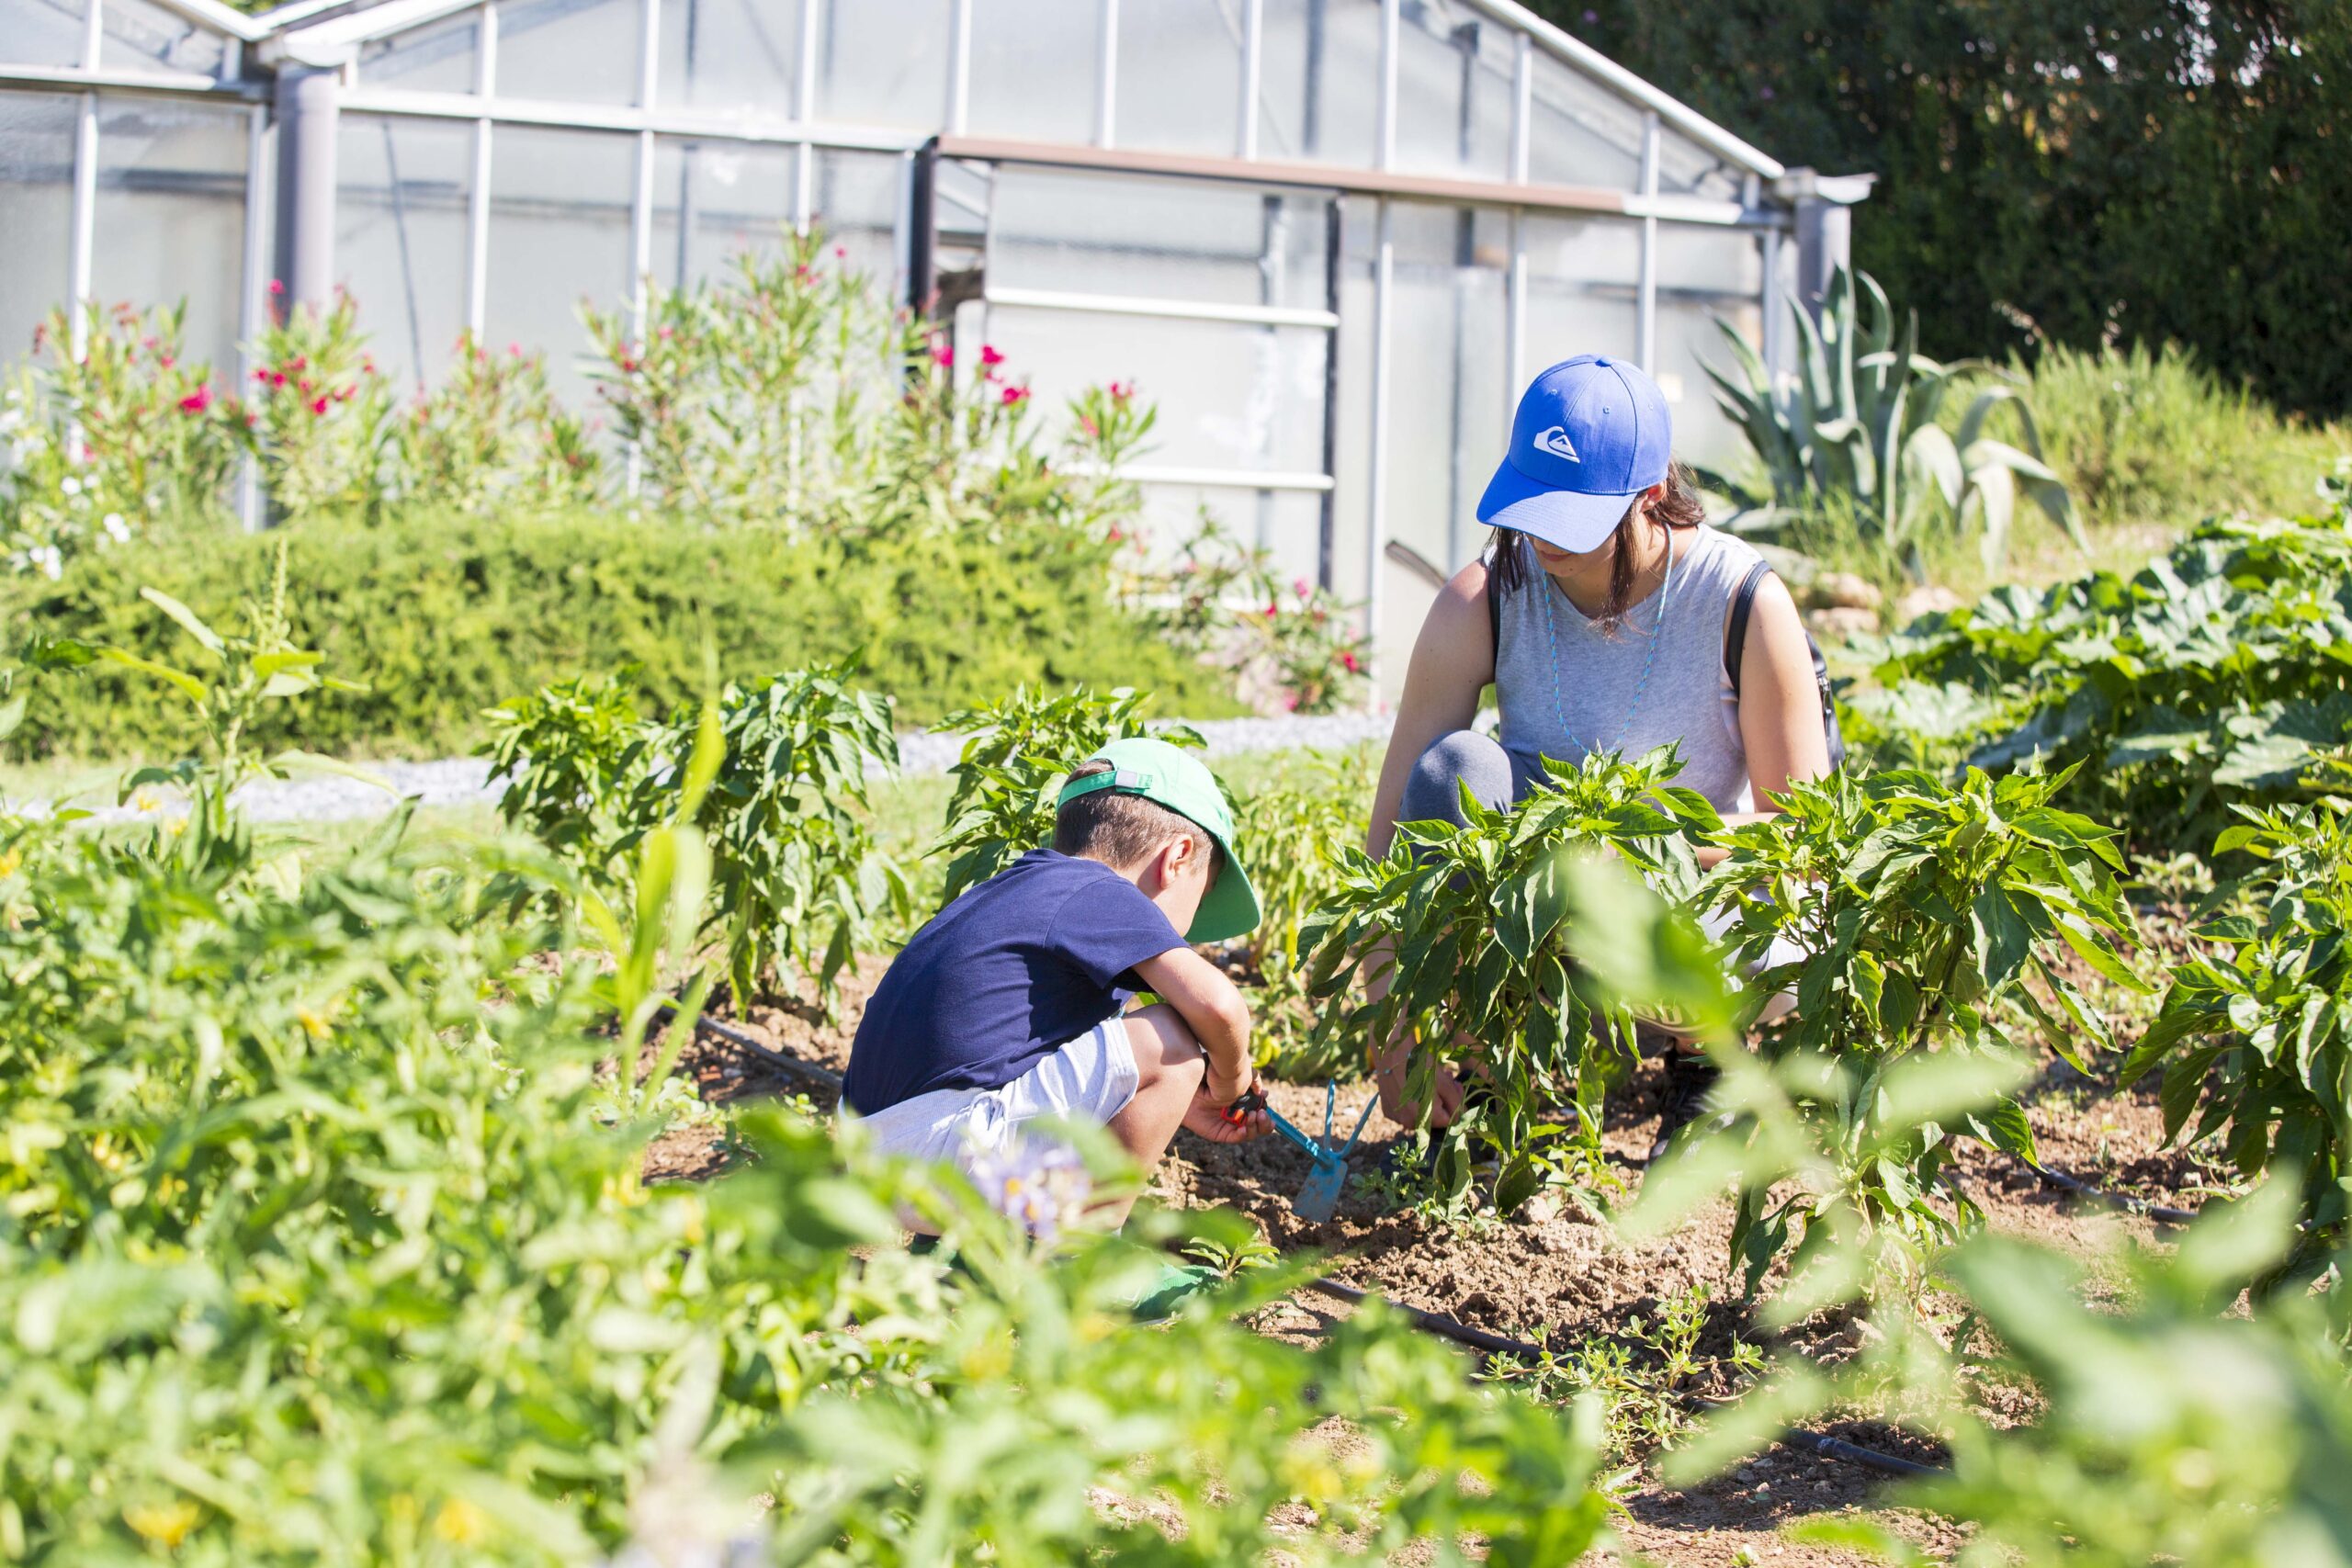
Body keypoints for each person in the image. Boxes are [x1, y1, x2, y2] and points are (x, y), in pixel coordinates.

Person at [1363, 354, 1832, 1160]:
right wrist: (1395, 1014)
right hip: (1542, 927)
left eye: (1571, 517)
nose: (1541, 538)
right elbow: (1391, 831)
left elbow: (1808, 841)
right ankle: (1487, 1082)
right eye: (1530, 506)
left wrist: (1646, 841)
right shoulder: (1484, 599)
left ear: (1651, 497)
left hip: (1688, 916)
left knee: (1773, 935)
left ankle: (1708, 1065)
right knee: (1453, 774)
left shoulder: (1742, 602)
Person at [842, 737, 1272, 1227]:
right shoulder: (1101, 890)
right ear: (1177, 858)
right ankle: (1078, 1265)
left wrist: (1161, 1096)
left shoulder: (1014, 889)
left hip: (871, 1153)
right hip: (941, 1157)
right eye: (1203, 892)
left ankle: (962, 1250)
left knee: (1142, 1043)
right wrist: (1228, 1081)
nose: (1188, 931)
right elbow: (1220, 1008)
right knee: (1172, 1039)